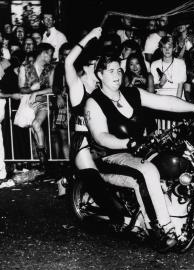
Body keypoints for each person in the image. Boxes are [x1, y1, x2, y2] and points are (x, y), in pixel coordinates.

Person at [84, 44, 194, 252]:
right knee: (146, 172)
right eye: (110, 70)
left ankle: (182, 215)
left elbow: (166, 102)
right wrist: (126, 143)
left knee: (176, 160)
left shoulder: (132, 93)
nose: (117, 74)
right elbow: (100, 136)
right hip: (111, 156)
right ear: (100, 74)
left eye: (119, 69)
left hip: (138, 151)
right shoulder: (94, 102)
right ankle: (161, 230)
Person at [65, 27, 124, 231]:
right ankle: (115, 219)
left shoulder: (100, 87)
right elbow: (68, 62)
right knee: (97, 183)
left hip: (99, 139)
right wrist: (89, 35)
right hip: (83, 141)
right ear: (91, 65)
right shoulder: (76, 85)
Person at [18, 43, 55, 172]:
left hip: (43, 103)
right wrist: (31, 89)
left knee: (36, 125)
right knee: (34, 131)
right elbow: (21, 89)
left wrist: (37, 92)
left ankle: (43, 159)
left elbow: (52, 88)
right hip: (28, 104)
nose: (51, 56)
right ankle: (41, 161)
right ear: (43, 53)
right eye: (50, 53)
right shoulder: (25, 68)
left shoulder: (50, 69)